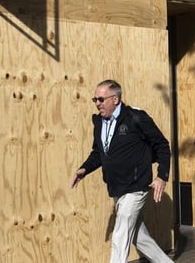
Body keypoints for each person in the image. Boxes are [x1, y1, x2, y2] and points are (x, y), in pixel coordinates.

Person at [70, 79, 173, 263]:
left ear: (115, 99)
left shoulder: (136, 117)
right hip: (117, 187)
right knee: (138, 238)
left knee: (120, 234)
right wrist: (84, 169)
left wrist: (162, 176)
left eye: (101, 99)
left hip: (136, 186)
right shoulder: (99, 123)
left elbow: (162, 145)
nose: (97, 103)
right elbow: (99, 153)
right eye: (95, 99)